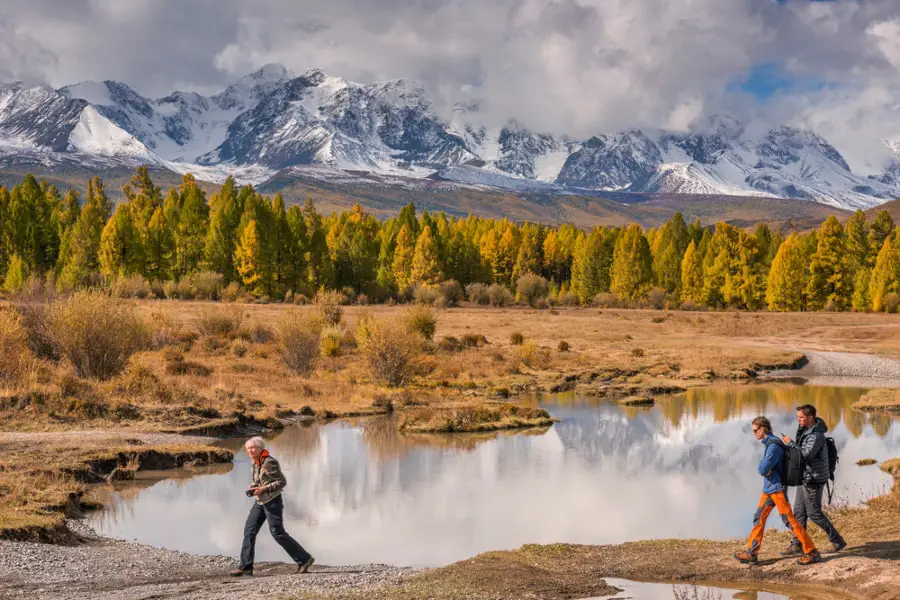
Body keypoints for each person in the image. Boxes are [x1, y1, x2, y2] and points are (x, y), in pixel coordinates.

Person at [734, 416, 821, 566]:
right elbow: (764, 468)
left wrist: (765, 468)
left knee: (790, 521)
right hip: (769, 488)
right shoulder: (769, 443)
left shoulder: (773, 446)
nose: (754, 433)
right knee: (758, 518)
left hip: (776, 489)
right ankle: (752, 553)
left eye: (755, 430)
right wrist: (765, 468)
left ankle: (812, 551)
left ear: (763, 429)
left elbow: (762, 468)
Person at [230, 436, 315, 577]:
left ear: (260, 448)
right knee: (249, 532)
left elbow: (281, 482)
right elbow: (263, 480)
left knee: (277, 533)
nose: (250, 451)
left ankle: (304, 559)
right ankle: (245, 567)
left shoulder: (270, 462)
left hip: (273, 501)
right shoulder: (256, 462)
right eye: (248, 449)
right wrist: (254, 486)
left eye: (253, 448)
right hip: (260, 502)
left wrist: (263, 489)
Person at [780, 404, 846, 556]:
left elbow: (806, 455)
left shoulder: (816, 435)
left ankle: (837, 541)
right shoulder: (806, 430)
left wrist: (790, 443)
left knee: (813, 513)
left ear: (810, 417)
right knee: (799, 513)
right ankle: (797, 544)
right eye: (797, 417)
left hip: (814, 479)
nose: (798, 420)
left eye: (801, 417)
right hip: (805, 477)